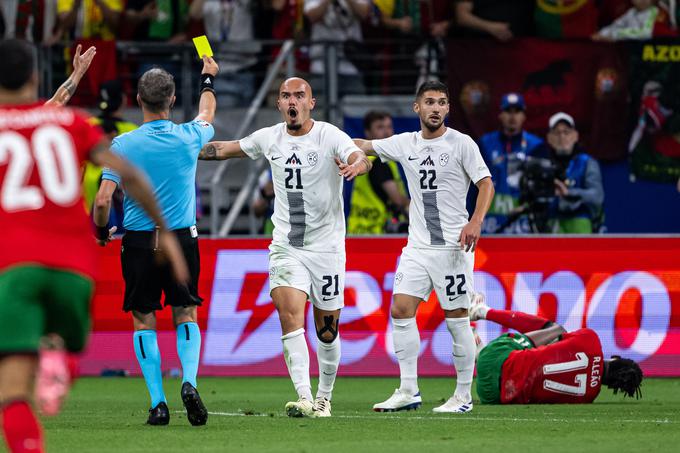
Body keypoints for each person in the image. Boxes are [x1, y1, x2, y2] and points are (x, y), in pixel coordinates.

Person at [0, 38, 187, 453]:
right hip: (74, 267)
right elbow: (131, 176)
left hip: (14, 267)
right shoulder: (72, 124)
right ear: (33, 75)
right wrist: (168, 236)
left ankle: (46, 373)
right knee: (65, 340)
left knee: (11, 392)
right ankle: (61, 362)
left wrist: (76, 77)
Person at [197, 77, 372, 417]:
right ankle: (305, 397)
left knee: (327, 331)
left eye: (299, 95)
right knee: (289, 314)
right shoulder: (269, 137)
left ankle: (324, 397)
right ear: (278, 104)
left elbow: (358, 155)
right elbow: (224, 149)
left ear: (311, 102)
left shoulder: (329, 135)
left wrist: (357, 166)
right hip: (286, 246)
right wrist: (185, 148)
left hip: (327, 249)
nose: (292, 100)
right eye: (285, 95)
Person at [354, 80, 494, 413]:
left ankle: (462, 396)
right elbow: (365, 145)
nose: (435, 108)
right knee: (400, 310)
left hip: (452, 249)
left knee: (457, 319)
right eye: (429, 102)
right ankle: (408, 390)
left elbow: (486, 184)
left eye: (441, 103)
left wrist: (475, 222)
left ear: (448, 109)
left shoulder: (461, 144)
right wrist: (328, 141)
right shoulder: (404, 143)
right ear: (417, 108)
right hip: (417, 248)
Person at [92, 57, 219, 426]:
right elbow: (207, 111)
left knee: (144, 318)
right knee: (186, 313)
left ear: (138, 99)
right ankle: (190, 382)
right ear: (173, 99)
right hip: (182, 239)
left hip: (139, 242)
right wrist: (208, 76)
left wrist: (102, 232)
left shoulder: (123, 143)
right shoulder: (189, 135)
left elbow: (102, 200)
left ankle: (158, 403)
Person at [469, 295, 644, 404]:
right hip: (492, 396)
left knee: (556, 330)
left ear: (615, 358)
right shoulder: (588, 397)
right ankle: (479, 353)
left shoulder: (591, 340)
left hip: (496, 357)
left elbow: (556, 338)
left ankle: (483, 312)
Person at [478, 93, 543, 234]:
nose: (513, 117)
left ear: (524, 116)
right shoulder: (485, 143)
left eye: (517, 111)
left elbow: (541, 187)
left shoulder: (536, 145)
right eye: (508, 111)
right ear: (500, 115)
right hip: (489, 222)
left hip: (523, 223)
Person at [539, 112, 604, 233]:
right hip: (552, 224)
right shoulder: (543, 165)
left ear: (575, 136)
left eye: (566, 132)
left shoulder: (587, 163)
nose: (562, 137)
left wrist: (568, 193)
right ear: (549, 138)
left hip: (580, 224)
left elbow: (597, 196)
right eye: (557, 133)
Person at [347, 110, 410, 234]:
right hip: (376, 234)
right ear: (367, 132)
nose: (387, 132)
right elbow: (397, 200)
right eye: (380, 127)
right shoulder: (379, 162)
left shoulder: (367, 158)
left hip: (357, 231)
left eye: (389, 127)